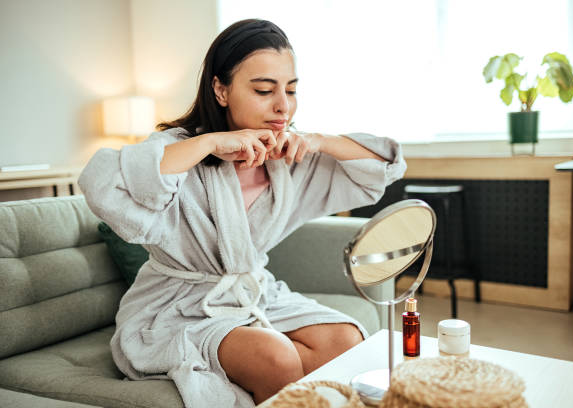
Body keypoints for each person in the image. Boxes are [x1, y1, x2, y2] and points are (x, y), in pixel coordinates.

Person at [78, 18, 407, 407]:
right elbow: (101, 182)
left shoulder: (290, 157)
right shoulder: (181, 150)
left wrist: (319, 140)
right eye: (264, 90)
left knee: (344, 340)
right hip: (176, 309)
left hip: (252, 294)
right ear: (221, 89)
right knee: (277, 356)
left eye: (291, 89)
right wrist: (211, 143)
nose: (283, 105)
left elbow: (383, 167)